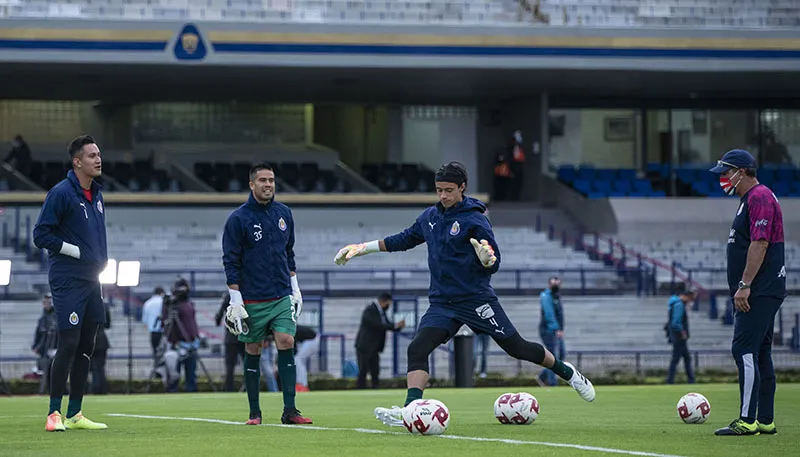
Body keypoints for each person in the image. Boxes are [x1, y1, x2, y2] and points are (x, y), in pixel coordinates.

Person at [334, 161, 595, 427]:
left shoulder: (475, 219)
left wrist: (487, 259)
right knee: (417, 348)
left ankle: (568, 372)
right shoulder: (430, 218)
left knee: (517, 348)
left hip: (475, 299)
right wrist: (362, 247)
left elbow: (494, 259)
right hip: (442, 303)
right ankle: (410, 412)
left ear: (462, 188)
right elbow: (404, 239)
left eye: (449, 190)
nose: (443, 195)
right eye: (439, 190)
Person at [222, 161, 312, 426]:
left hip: (281, 294)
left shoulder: (284, 213)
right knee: (253, 348)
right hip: (252, 298)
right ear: (252, 185)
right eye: (262, 180)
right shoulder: (238, 219)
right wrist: (235, 300)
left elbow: (289, 254)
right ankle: (254, 413)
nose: (268, 185)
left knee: (286, 341)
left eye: (271, 180)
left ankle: (290, 410)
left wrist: (295, 289)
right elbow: (231, 260)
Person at [32, 134, 108, 432]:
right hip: (67, 280)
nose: (98, 159)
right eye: (91, 155)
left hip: (92, 280)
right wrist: (74, 251)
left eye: (98, 154)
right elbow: (41, 235)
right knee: (69, 343)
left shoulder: (97, 195)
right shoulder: (61, 193)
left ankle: (75, 413)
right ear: (77, 162)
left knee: (88, 345)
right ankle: (54, 414)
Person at [709, 149, 785, 436]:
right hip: (763, 289)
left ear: (742, 171)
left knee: (743, 349)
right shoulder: (751, 199)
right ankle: (765, 419)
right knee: (761, 351)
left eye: (727, 173)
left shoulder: (759, 197)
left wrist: (745, 285)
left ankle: (747, 419)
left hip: (759, 290)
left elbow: (760, 243)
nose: (724, 179)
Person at [354, 292, 405, 389]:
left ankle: (375, 387)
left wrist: (397, 327)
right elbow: (377, 325)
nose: (388, 306)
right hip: (365, 346)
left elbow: (387, 324)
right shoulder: (370, 310)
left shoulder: (381, 312)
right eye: (388, 303)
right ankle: (360, 388)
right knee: (363, 369)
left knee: (375, 369)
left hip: (375, 347)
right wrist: (394, 325)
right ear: (384, 301)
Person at [214, 291, 247, 392]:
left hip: (230, 337)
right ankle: (248, 385)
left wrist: (218, 319)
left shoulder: (228, 296)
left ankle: (229, 388)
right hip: (243, 335)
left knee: (229, 366)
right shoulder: (245, 294)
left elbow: (219, 315)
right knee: (247, 363)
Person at [538, 276, 565, 386]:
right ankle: (551, 382)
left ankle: (542, 376)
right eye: (554, 284)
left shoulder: (556, 296)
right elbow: (549, 314)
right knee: (553, 356)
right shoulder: (546, 296)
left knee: (561, 354)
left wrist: (561, 328)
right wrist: (556, 328)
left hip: (556, 329)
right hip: (548, 330)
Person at [665, 290, 696, 385]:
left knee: (686, 358)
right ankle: (670, 380)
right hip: (679, 337)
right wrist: (683, 332)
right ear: (687, 296)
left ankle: (691, 379)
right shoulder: (679, 305)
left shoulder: (676, 304)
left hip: (677, 337)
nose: (691, 302)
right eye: (691, 299)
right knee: (676, 359)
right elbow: (676, 322)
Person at [32, 293, 58, 394]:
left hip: (55, 349)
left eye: (48, 302)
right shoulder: (42, 319)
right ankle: (45, 391)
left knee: (55, 372)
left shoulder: (57, 317)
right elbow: (38, 334)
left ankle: (54, 391)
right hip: (44, 350)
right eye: (44, 302)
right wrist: (36, 346)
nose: (46, 304)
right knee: (46, 372)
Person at [294, 325, 319, 392]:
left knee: (297, 360)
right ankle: (301, 384)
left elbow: (293, 348)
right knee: (298, 360)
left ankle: (302, 385)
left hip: (312, 340)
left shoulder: (290, 330)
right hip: (309, 340)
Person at [142, 287, 166, 359]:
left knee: (155, 350)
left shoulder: (148, 303)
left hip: (153, 330)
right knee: (164, 350)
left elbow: (145, 319)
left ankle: (156, 362)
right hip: (164, 329)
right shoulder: (164, 302)